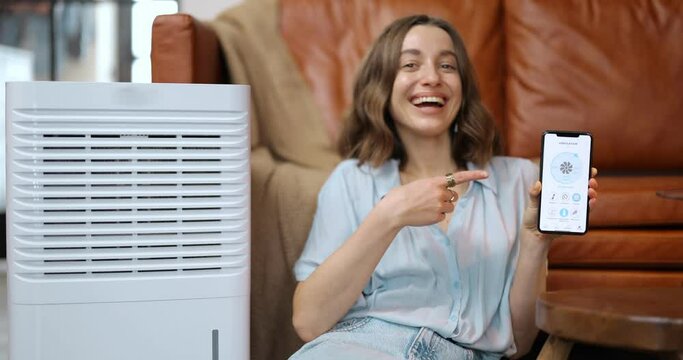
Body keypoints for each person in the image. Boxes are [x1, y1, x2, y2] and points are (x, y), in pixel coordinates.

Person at [289, 14, 598, 360]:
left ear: (462, 88)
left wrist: (535, 242)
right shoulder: (352, 180)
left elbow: (520, 343)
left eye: (447, 66)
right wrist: (389, 215)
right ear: (383, 84)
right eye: (410, 64)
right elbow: (308, 321)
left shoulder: (519, 181)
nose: (432, 78)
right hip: (362, 346)